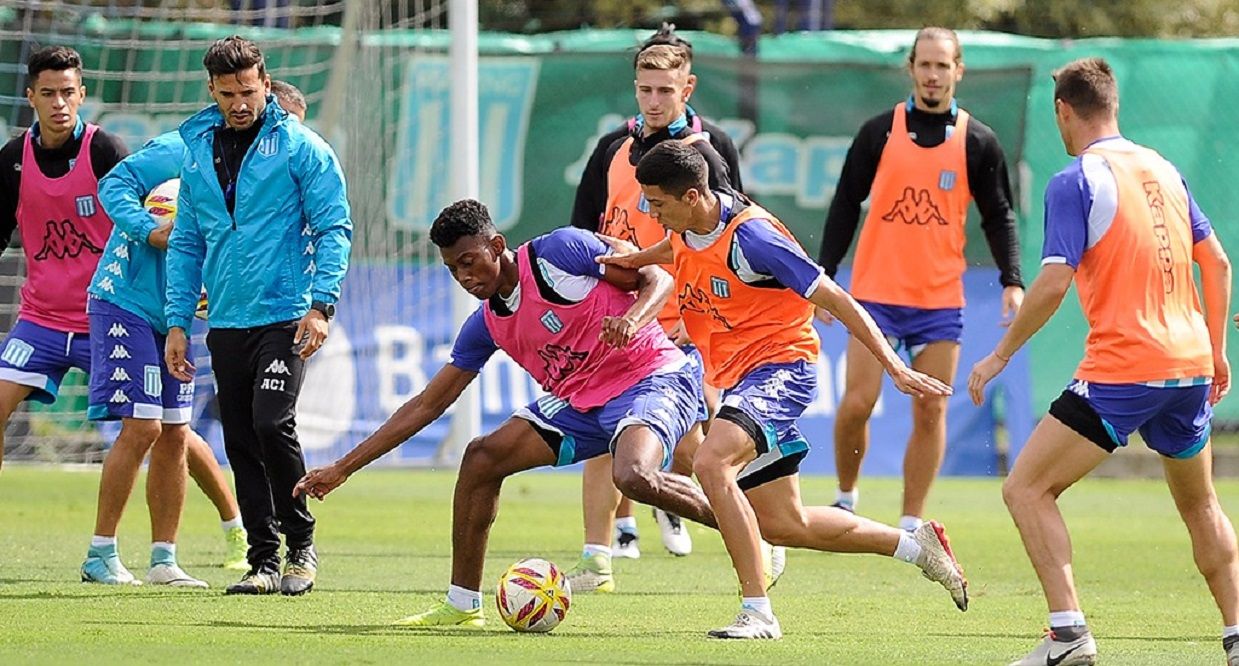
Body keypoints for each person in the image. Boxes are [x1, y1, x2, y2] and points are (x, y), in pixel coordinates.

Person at [295, 199, 735, 628]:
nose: (465, 277)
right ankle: (463, 603)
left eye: (469, 261)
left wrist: (633, 320)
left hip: (650, 376)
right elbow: (429, 404)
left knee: (633, 475)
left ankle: (747, 524)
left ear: (497, 244)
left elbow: (657, 278)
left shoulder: (560, 251)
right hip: (581, 404)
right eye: (453, 270)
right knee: (482, 457)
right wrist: (343, 467)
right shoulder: (485, 323)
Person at [600, 140, 968, 639]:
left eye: (658, 204)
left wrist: (895, 367)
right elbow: (672, 251)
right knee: (782, 523)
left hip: (782, 371)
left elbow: (837, 299)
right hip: (740, 378)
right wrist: (624, 260)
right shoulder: (688, 226)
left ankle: (758, 612)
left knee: (711, 463)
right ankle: (915, 545)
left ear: (691, 196)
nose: (651, 212)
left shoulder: (754, 238)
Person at [968, 57, 1239, 666]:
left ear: (1064, 111)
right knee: (1201, 507)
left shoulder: (1076, 179)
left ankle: (1068, 638)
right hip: (1189, 363)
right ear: (1113, 106)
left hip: (1125, 369)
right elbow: (1216, 264)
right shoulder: (1164, 169)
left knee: (1026, 488)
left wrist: (1000, 354)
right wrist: (1216, 351)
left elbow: (1052, 283)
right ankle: (1237, 635)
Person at [81, 80, 310, 584]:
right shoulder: (183, 148)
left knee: (176, 431)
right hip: (127, 299)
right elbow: (114, 184)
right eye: (282, 127)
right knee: (142, 425)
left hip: (176, 316)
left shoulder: (270, 181)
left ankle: (164, 558)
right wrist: (148, 228)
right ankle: (101, 553)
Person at [164, 36, 352, 596]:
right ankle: (263, 560)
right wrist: (178, 320)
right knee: (241, 436)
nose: (240, 102)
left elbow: (334, 227)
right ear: (213, 91)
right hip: (225, 318)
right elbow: (186, 243)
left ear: (266, 85)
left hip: (285, 314)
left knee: (272, 422)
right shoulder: (196, 149)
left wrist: (320, 307)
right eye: (228, 93)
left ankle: (301, 545)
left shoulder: (301, 148)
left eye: (248, 90)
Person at [817, 27, 1024, 530]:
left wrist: (1011, 280)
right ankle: (846, 496)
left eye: (943, 65)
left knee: (931, 409)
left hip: (937, 301)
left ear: (959, 70)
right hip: (873, 295)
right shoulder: (879, 132)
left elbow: (998, 215)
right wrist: (822, 278)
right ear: (911, 68)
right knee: (857, 405)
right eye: (925, 64)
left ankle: (912, 521)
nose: (933, 75)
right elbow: (846, 202)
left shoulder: (977, 141)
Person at [567, 24, 744, 583]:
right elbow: (584, 231)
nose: (653, 99)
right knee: (599, 432)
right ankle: (598, 556)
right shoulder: (612, 148)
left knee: (696, 450)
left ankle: (757, 527)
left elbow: (728, 235)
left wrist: (712, 316)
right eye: (646, 89)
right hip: (617, 318)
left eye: (665, 90)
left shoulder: (707, 154)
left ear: (686, 89)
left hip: (679, 321)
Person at [0, 47, 127, 473]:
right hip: (41, 322)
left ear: (82, 94)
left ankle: (231, 520)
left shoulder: (105, 151)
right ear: (31, 96)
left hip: (105, 318)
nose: (59, 103)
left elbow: (144, 226)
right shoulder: (12, 160)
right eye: (49, 93)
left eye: (68, 93)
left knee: (165, 430)